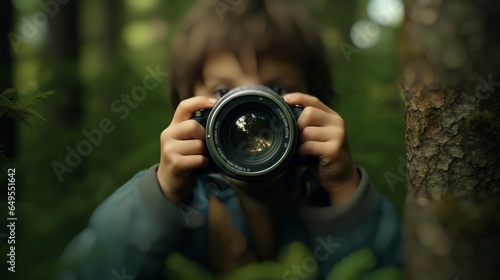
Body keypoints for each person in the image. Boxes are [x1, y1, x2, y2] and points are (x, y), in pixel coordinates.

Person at [58, 0, 402, 279]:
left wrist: (343, 190)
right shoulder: (182, 203)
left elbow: (389, 269)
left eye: (278, 89)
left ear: (315, 100)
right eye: (223, 91)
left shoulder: (326, 195)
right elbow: (85, 270)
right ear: (188, 105)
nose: (250, 104)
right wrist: (160, 197)